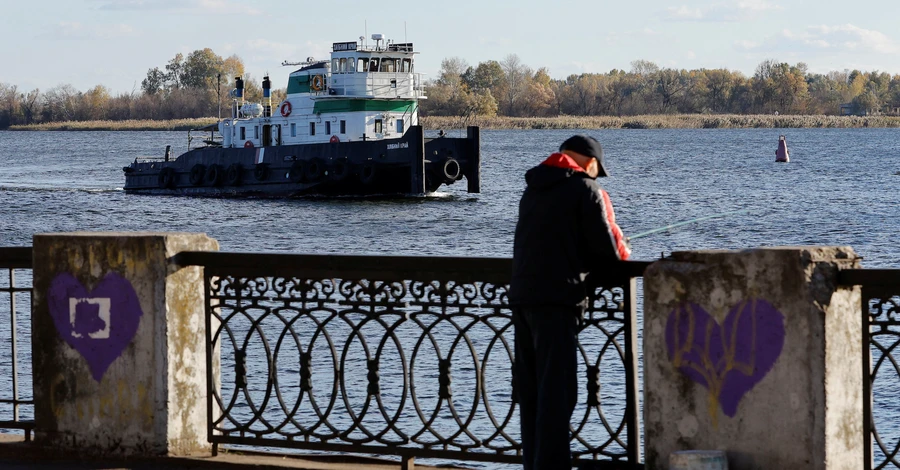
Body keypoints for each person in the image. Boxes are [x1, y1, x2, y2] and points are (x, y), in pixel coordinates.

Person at [509, 135, 630, 470]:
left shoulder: (533, 188)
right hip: (558, 302)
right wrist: (622, 246)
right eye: (596, 170)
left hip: (522, 299)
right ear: (589, 163)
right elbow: (611, 254)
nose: (595, 175)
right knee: (557, 396)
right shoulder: (586, 190)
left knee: (531, 396)